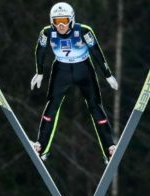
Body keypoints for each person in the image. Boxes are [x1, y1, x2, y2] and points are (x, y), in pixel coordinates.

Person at [30, 2, 117, 162]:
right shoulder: (47, 32)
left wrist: (107, 75)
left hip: (83, 68)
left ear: (71, 19)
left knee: (95, 106)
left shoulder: (83, 30)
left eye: (64, 20)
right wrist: (40, 72)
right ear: (52, 21)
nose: (61, 25)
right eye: (56, 21)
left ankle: (109, 148)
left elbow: (96, 51)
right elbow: (40, 50)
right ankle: (41, 147)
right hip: (61, 69)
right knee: (51, 106)